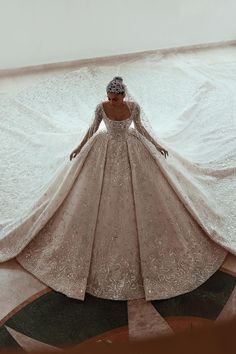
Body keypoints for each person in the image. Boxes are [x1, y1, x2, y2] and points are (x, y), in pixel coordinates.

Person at [1, 76, 227, 301]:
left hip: (132, 147)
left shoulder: (134, 107)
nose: (112, 102)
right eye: (110, 98)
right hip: (103, 148)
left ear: (124, 96)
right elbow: (92, 129)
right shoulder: (101, 107)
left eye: (116, 99)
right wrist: (79, 148)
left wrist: (157, 145)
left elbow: (140, 128)